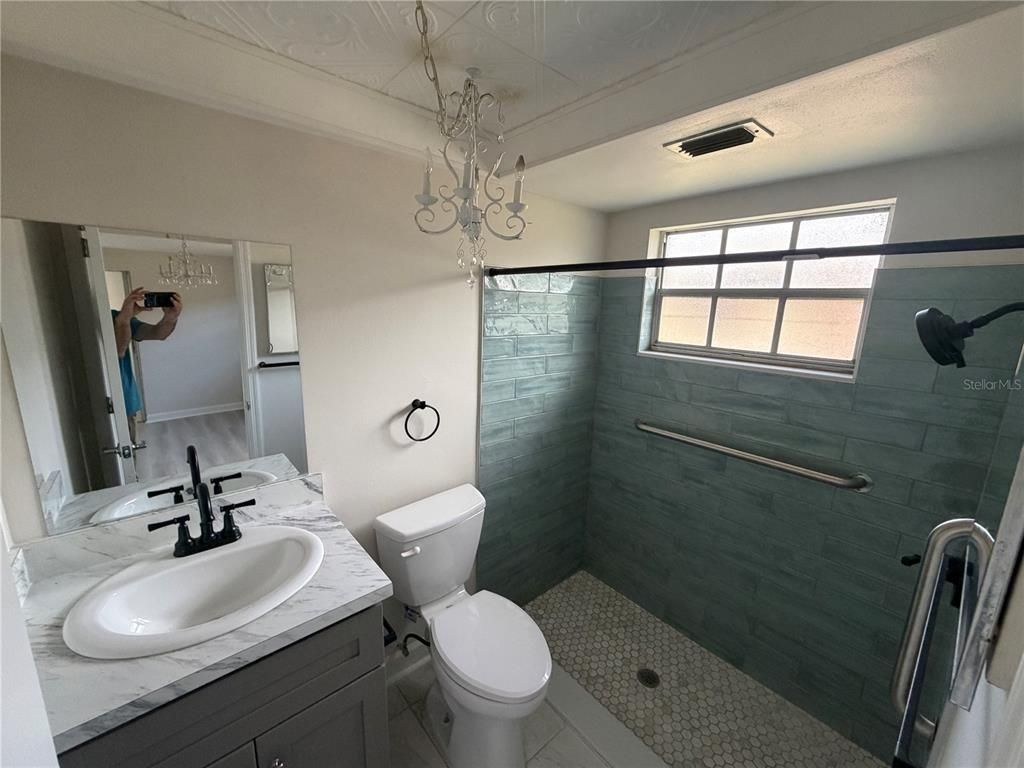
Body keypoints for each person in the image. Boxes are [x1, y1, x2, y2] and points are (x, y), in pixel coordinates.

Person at [112, 287, 183, 440]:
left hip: (125, 399)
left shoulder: (116, 316)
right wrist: (123, 320)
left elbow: (159, 333)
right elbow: (119, 351)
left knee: (128, 455)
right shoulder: (117, 319)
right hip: (107, 401)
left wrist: (170, 318)